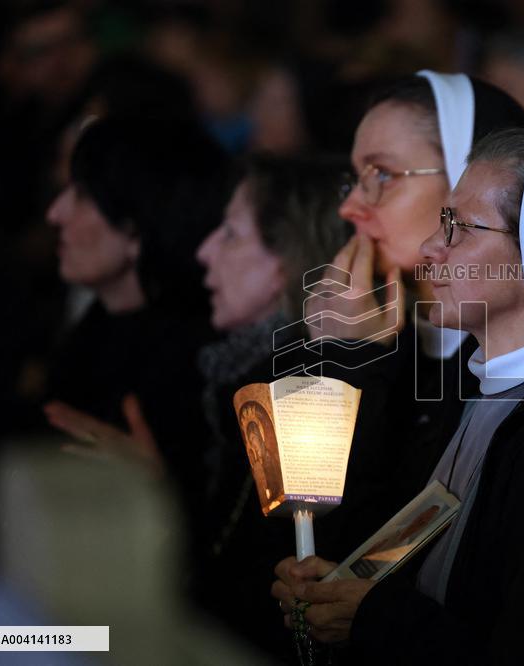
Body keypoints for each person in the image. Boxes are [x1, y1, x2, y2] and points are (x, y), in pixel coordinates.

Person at [271, 122, 524, 664]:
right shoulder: (463, 389)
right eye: (442, 222)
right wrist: (341, 586)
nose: (430, 248)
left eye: (458, 227)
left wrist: (374, 620)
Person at [274, 71, 524, 559]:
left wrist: (348, 361)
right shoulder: (368, 330)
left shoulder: (517, 362)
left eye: (383, 176)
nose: (350, 207)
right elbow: (304, 549)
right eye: (356, 179)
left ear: (470, 183)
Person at [193, 154, 349, 656]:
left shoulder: (294, 397)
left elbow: (244, 589)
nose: (204, 251)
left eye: (231, 234)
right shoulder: (232, 380)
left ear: (288, 260)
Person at [43, 113, 229, 503]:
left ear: (137, 224)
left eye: (81, 195)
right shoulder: (95, 332)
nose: (55, 213)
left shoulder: (199, 361)